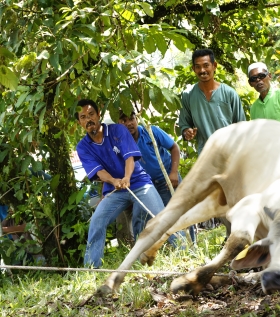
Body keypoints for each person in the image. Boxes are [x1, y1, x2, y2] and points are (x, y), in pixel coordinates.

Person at [75, 99, 175, 268]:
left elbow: (130, 157)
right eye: (83, 117)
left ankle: (184, 249)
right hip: (114, 190)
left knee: (161, 216)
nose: (88, 119)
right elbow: (98, 172)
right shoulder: (82, 147)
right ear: (79, 122)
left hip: (139, 183)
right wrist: (114, 181)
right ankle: (92, 269)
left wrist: (127, 177)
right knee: (97, 221)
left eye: (91, 114)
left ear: (99, 114)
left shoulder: (118, 130)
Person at [118, 111, 196, 243]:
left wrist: (173, 172)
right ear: (119, 123)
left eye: (131, 119)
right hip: (145, 186)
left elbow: (174, 147)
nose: (128, 123)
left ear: (136, 119)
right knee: (139, 217)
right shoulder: (121, 142)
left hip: (166, 181)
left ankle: (190, 246)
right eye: (123, 120)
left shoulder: (150, 131)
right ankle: (141, 251)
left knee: (179, 212)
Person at [178, 48, 246, 154]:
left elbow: (242, 126)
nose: (202, 70)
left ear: (214, 66)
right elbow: (184, 124)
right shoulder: (188, 95)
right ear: (193, 69)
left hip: (230, 154)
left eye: (206, 65)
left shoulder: (229, 93)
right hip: (205, 156)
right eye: (198, 67)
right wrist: (187, 132)